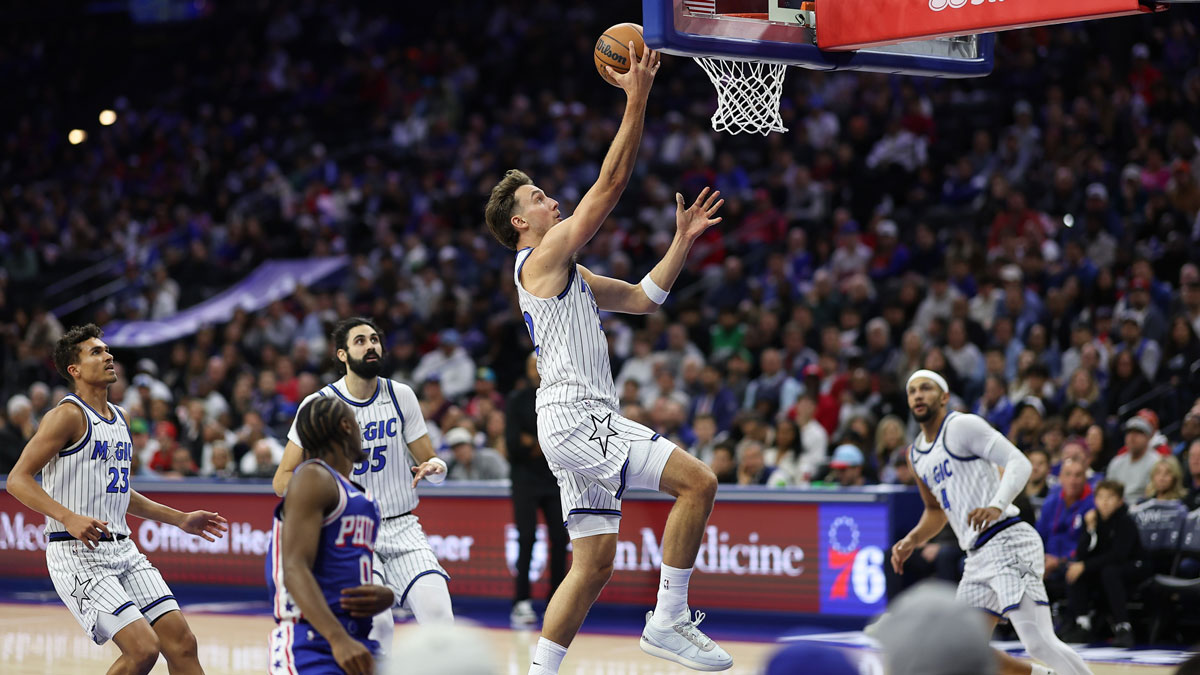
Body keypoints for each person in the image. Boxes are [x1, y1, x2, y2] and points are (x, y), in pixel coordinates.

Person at [484, 43, 733, 673]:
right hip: (576, 415)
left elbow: (646, 300)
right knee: (698, 482)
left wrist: (679, 243)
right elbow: (611, 184)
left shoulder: (564, 270)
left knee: (593, 564)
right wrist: (637, 95)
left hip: (568, 422)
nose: (551, 200)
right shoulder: (538, 259)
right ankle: (669, 619)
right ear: (520, 222)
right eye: (538, 197)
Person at [6, 324, 228, 675]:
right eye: (96, 352)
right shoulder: (66, 415)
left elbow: (121, 493)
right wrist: (68, 517)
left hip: (123, 551)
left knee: (183, 643)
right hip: (77, 554)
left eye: (107, 349)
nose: (108, 355)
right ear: (73, 370)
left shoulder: (122, 417)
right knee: (143, 650)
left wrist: (180, 519)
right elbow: (17, 480)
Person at [890, 369, 1091, 675]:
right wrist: (913, 539)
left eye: (926, 388)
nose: (918, 395)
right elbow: (935, 511)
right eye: (912, 390)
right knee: (960, 650)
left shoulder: (962, 426)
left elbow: (1019, 461)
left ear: (943, 397)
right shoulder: (915, 455)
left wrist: (997, 505)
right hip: (977, 556)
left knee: (1038, 642)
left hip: (1008, 539)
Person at [273, 317, 454, 655]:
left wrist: (436, 467)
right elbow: (282, 480)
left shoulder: (401, 395)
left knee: (441, 617)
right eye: (360, 341)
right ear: (342, 354)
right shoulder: (319, 406)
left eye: (374, 339)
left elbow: (433, 464)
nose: (371, 346)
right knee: (379, 623)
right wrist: (320, 497)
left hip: (403, 524)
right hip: (353, 528)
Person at [267, 395, 395, 675]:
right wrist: (337, 639)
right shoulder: (313, 477)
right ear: (346, 426)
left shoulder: (357, 494)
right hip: (313, 643)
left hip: (356, 639)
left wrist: (386, 596)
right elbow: (294, 568)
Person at [506, 352, 569, 627]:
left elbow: (565, 442)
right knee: (526, 538)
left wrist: (534, 442)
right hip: (524, 482)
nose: (537, 370)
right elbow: (513, 445)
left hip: (555, 480)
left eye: (539, 365)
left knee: (560, 539)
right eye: (532, 366)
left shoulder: (561, 399)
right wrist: (544, 443)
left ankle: (557, 600)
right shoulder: (517, 400)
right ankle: (521, 602)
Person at [1059, 480, 1148, 648]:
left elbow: (1119, 555)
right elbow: (1082, 554)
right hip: (1106, 568)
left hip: (1134, 566)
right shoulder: (1094, 520)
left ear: (1120, 501)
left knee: (1108, 571)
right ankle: (1082, 624)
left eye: (1110, 497)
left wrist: (1085, 565)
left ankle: (1123, 627)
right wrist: (1090, 529)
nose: (1104, 502)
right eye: (1100, 497)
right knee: (1075, 570)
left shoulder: (1125, 521)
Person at [1106, 416, 1158, 502]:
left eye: (1137, 433)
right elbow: (1109, 491)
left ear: (1148, 438)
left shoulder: (1156, 462)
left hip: (1144, 509)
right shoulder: (1116, 462)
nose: (1132, 437)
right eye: (1129, 433)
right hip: (1117, 508)